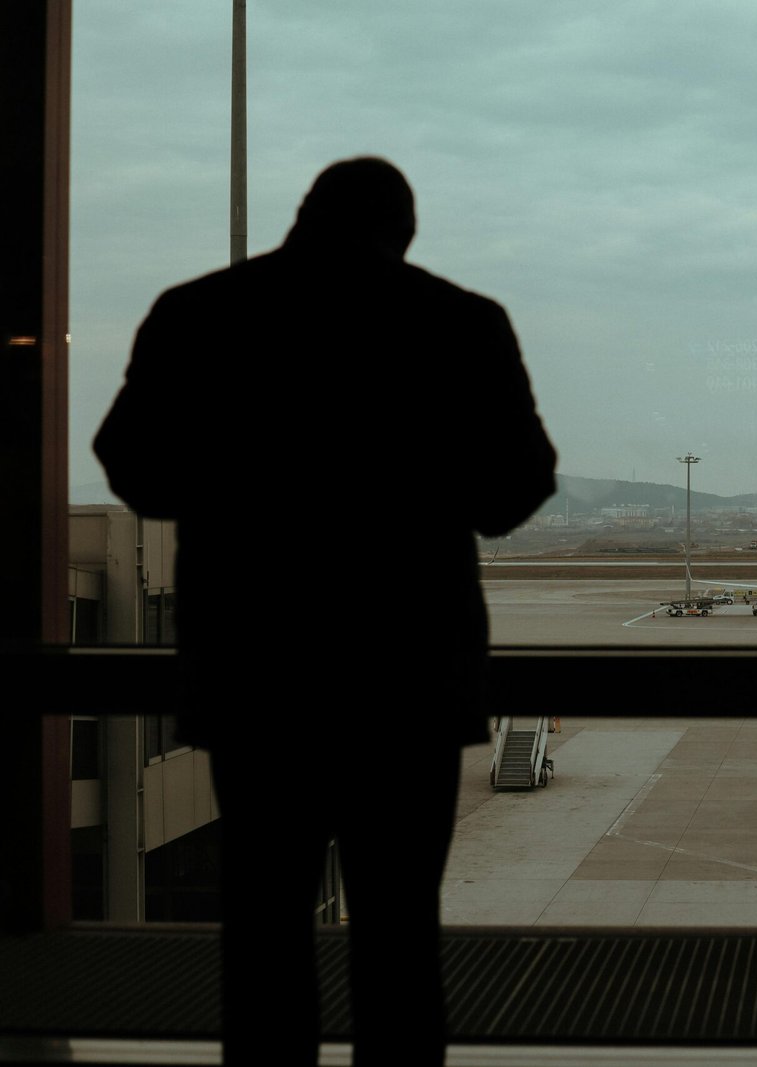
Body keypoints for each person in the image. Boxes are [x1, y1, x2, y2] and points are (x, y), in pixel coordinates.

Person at [93, 156, 558, 1067]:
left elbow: (131, 465)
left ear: (302, 215)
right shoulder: (460, 323)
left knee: (263, 938)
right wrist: (415, 493)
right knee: (400, 943)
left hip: (258, 675)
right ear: (403, 232)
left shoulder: (198, 314)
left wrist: (241, 495)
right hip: (407, 681)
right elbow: (516, 490)